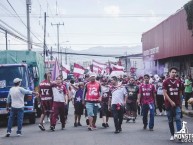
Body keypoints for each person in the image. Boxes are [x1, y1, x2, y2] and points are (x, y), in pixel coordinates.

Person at [163, 67, 182, 141]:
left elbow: (180, 93)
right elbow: (165, 93)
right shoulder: (166, 82)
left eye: (175, 72)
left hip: (177, 104)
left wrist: (180, 103)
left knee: (178, 119)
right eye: (172, 72)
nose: (174, 73)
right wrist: (171, 102)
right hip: (168, 104)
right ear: (169, 73)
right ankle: (172, 134)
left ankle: (179, 135)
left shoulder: (179, 82)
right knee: (170, 120)